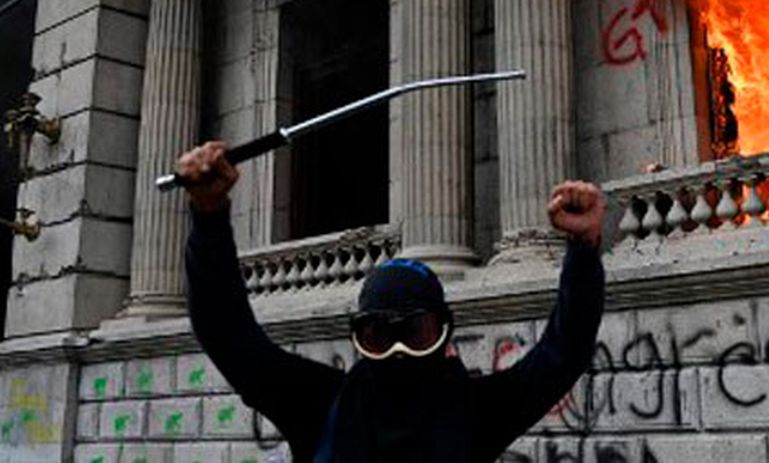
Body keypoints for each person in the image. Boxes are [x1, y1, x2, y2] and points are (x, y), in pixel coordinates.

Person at [177, 141, 605, 462]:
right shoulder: (319, 404)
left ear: (443, 332)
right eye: (380, 336)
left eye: (415, 332)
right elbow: (228, 336)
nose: (400, 352)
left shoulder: (477, 411)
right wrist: (209, 216)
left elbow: (562, 354)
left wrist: (584, 248)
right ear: (359, 338)